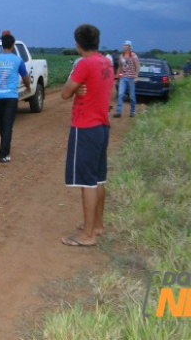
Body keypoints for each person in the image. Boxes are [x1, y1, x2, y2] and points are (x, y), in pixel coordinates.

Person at [60, 24, 114, 247]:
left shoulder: (85, 64)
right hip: (102, 126)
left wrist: (76, 86)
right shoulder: (106, 63)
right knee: (99, 178)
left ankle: (88, 235)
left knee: (87, 181)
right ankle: (98, 225)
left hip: (85, 127)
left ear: (77, 44)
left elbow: (64, 93)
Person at [0, 33, 31, 163]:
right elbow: (25, 77)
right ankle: (3, 154)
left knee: (3, 124)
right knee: (8, 125)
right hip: (11, 97)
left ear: (2, 45)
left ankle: (4, 147)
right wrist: (28, 87)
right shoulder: (18, 60)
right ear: (13, 45)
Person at [114, 40, 140, 118]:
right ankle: (118, 112)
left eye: (126, 45)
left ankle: (132, 111)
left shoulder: (134, 56)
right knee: (120, 94)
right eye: (124, 45)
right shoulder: (121, 56)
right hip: (123, 77)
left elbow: (137, 66)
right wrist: (117, 76)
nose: (124, 46)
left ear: (129, 47)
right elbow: (120, 67)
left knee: (132, 96)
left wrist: (136, 76)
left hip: (131, 78)